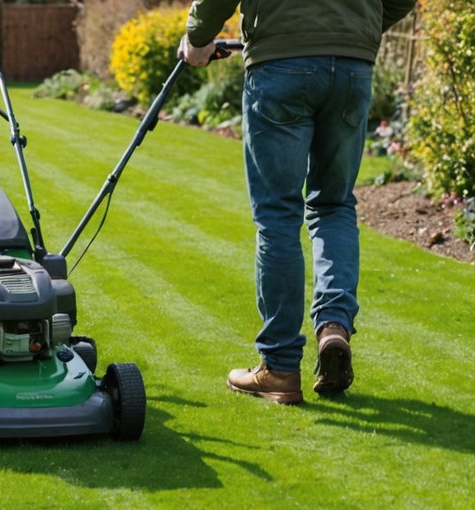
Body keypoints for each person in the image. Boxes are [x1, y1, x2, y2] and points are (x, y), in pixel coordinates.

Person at [178, 0, 417, 404]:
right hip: (352, 65)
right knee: (334, 204)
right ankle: (334, 325)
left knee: (277, 216)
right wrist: (358, 26)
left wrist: (197, 37)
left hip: (280, 63)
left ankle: (280, 367)